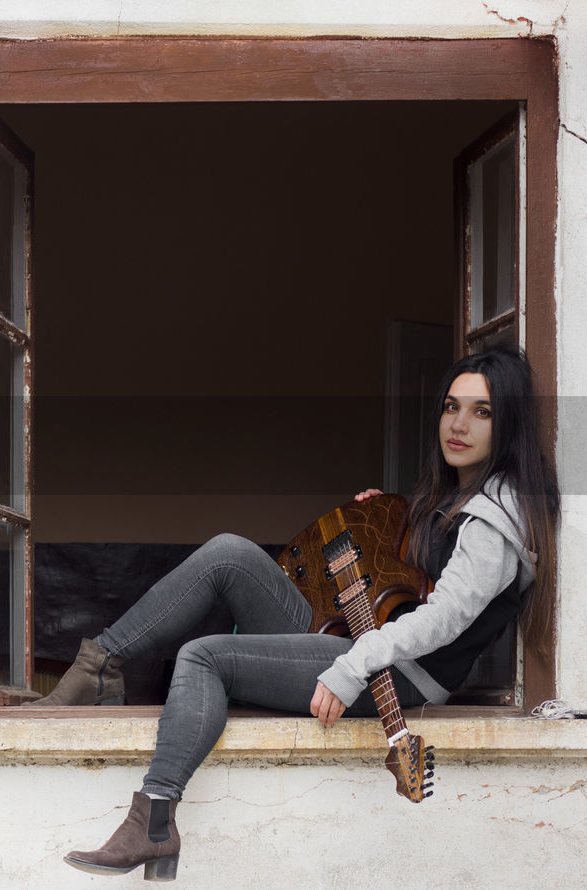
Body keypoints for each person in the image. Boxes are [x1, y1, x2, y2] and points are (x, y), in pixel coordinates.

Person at [31, 346, 560, 882]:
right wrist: (381, 518)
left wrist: (351, 667)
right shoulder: (459, 496)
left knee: (206, 657)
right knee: (229, 553)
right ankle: (98, 666)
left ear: (508, 424)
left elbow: (443, 618)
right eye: (451, 406)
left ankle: (155, 820)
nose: (459, 424)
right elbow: (415, 577)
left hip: (399, 677)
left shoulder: (497, 519)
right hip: (368, 645)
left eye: (482, 412)